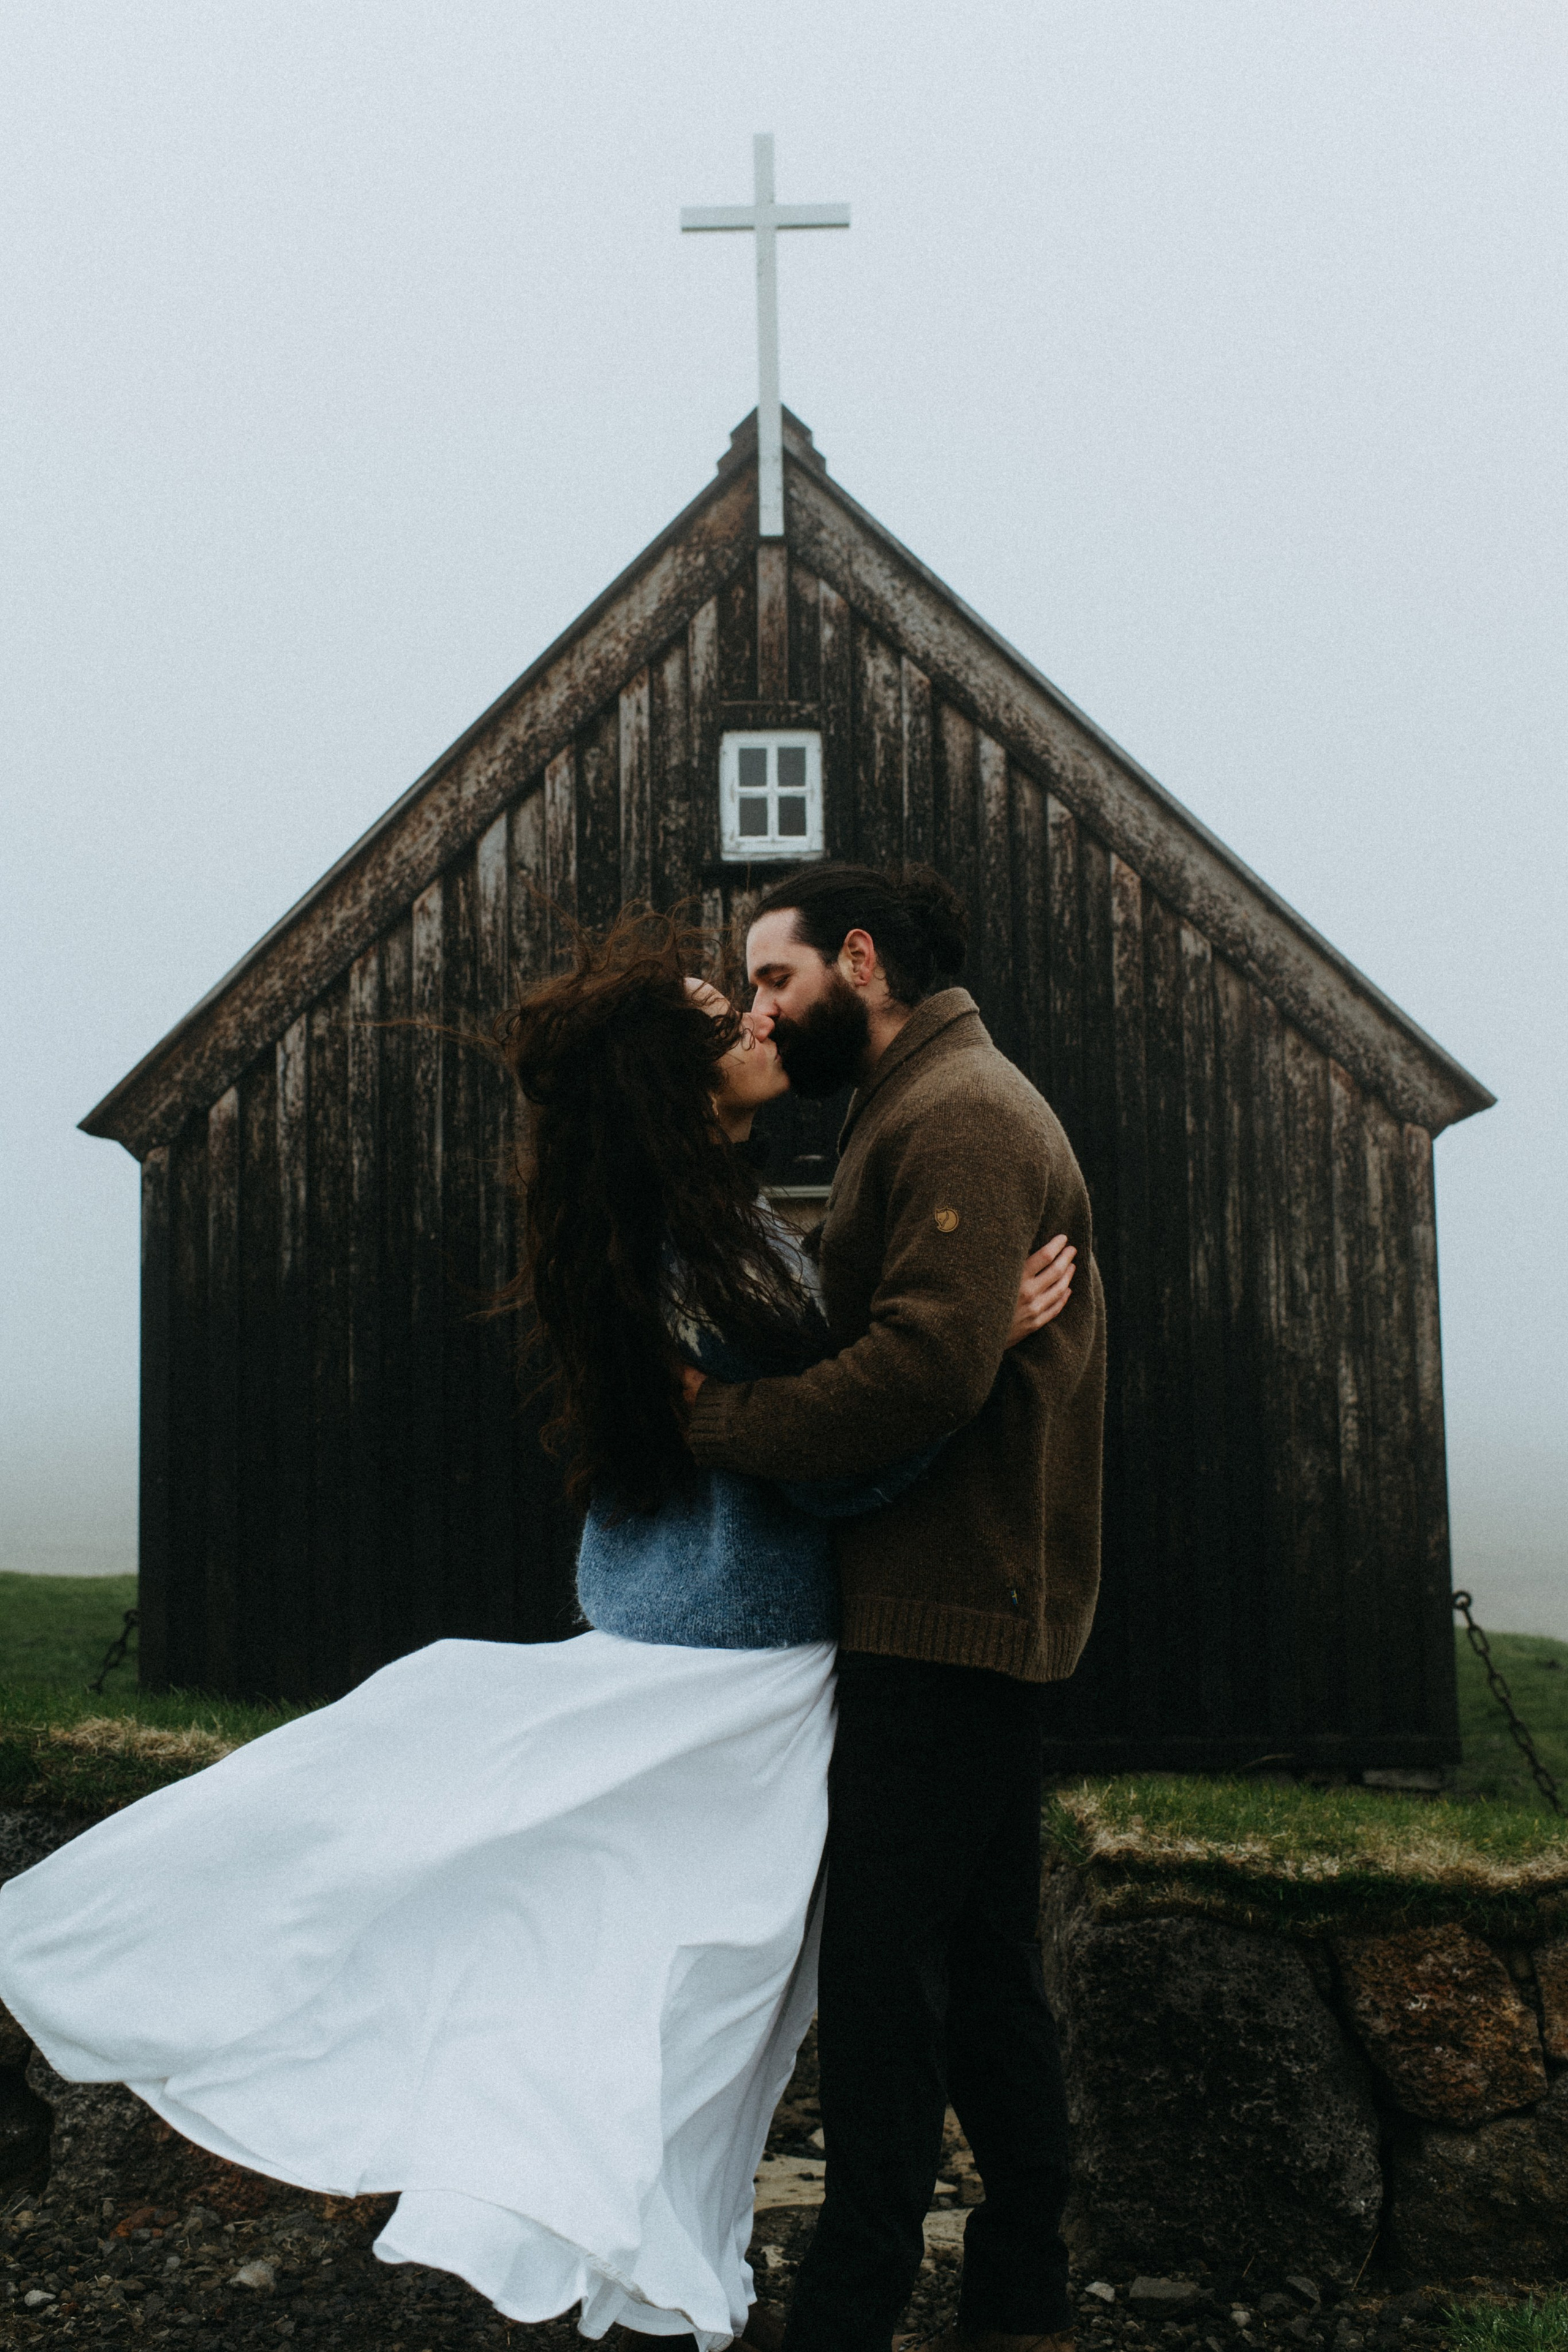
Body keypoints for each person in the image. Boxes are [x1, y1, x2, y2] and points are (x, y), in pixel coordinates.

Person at [0, 907, 1074, 2352]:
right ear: (674, 1086)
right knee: (666, 1979)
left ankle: (642, 2229)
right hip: (729, 1670)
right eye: (724, 1016)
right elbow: (836, 1464)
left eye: (751, 993)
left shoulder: (684, 1231)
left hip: (675, 1638)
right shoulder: (704, 1259)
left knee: (613, 1955)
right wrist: (969, 1350)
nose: (758, 1022)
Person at [680, 865, 1109, 2352]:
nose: (761, 1009)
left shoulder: (959, 1115)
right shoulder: (916, 1107)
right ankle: (1020, 2298)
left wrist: (715, 1425)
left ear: (857, 960)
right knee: (984, 1972)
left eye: (775, 978)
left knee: (884, 1982)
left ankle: (848, 2317)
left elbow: (921, 1369)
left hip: (942, 1615)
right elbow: (932, 1346)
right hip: (954, 1609)